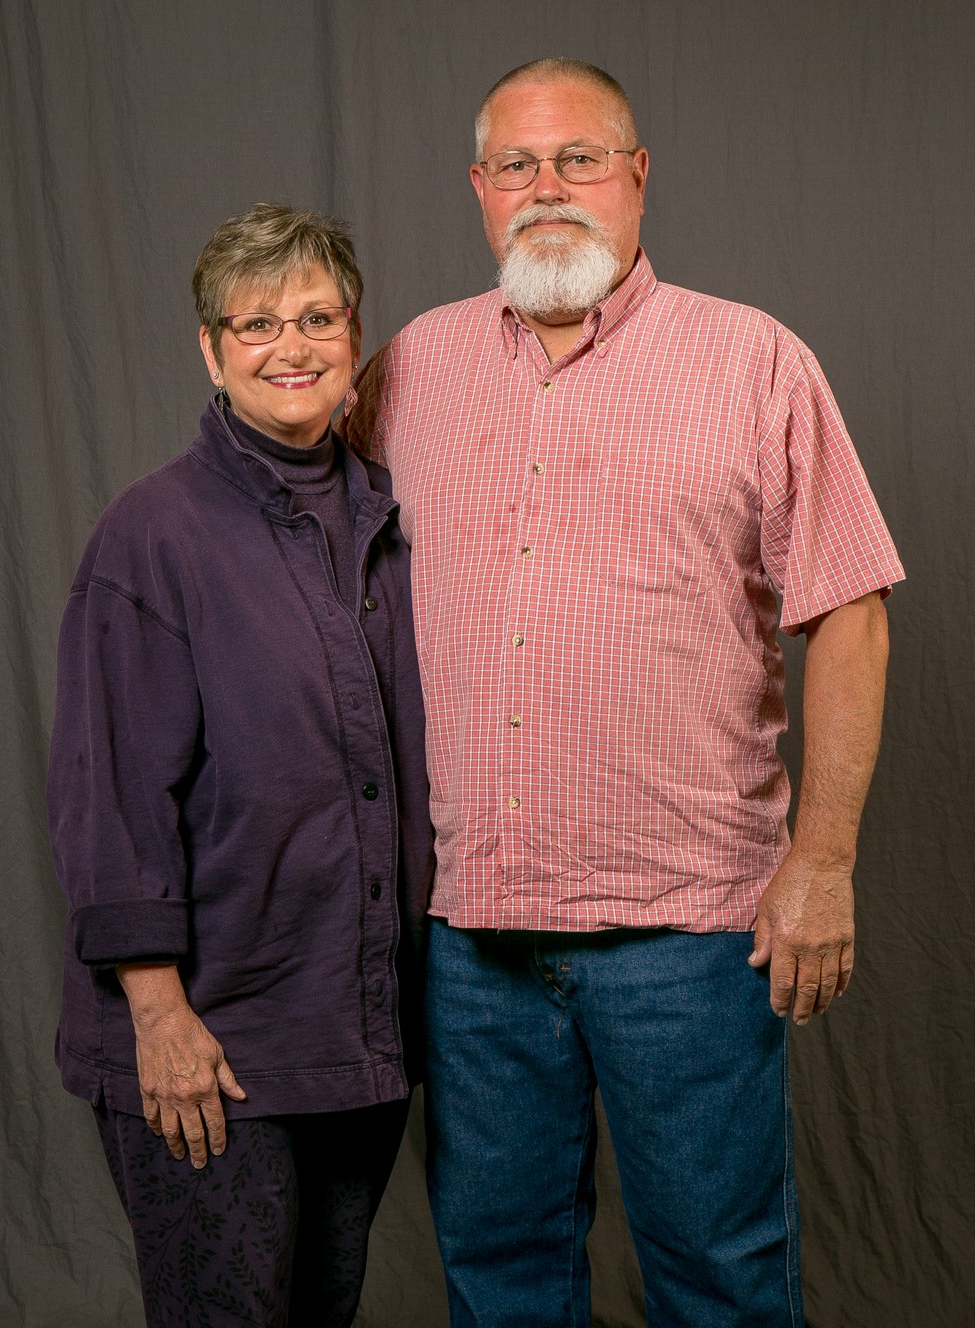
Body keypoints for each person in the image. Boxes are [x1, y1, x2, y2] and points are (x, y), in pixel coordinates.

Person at [347, 58, 904, 1328]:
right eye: (516, 166)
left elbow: (850, 611)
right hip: (473, 939)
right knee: (499, 1280)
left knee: (718, 1280)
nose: (549, 190)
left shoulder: (750, 359)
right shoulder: (411, 370)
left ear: (638, 177)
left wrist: (820, 859)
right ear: (480, 191)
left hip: (693, 936)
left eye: (580, 159)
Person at [48, 202, 433, 1328]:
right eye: (256, 322)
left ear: (355, 338)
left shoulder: (385, 519)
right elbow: (107, 797)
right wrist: (158, 1013)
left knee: (320, 1306)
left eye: (317, 316)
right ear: (210, 351)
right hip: (211, 1037)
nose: (292, 346)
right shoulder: (152, 535)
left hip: (351, 1024)